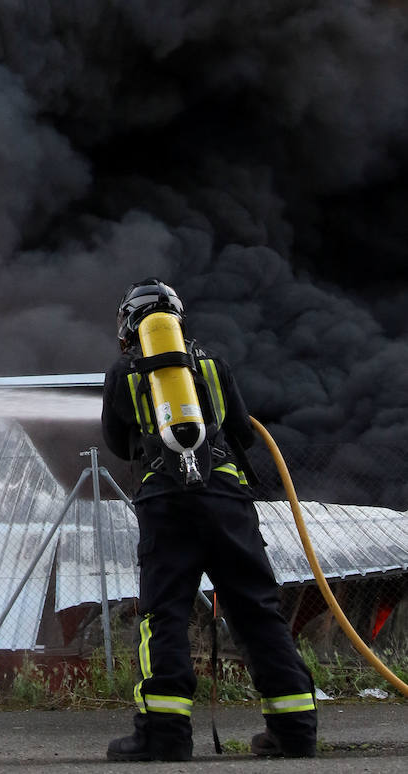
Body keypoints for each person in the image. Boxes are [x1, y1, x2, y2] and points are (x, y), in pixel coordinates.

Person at [101, 278, 317, 762]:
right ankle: (295, 730)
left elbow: (118, 443)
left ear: (129, 325)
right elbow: (244, 433)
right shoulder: (214, 365)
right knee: (258, 611)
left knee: (165, 616)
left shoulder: (125, 373)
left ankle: (164, 736)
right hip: (226, 498)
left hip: (166, 503)